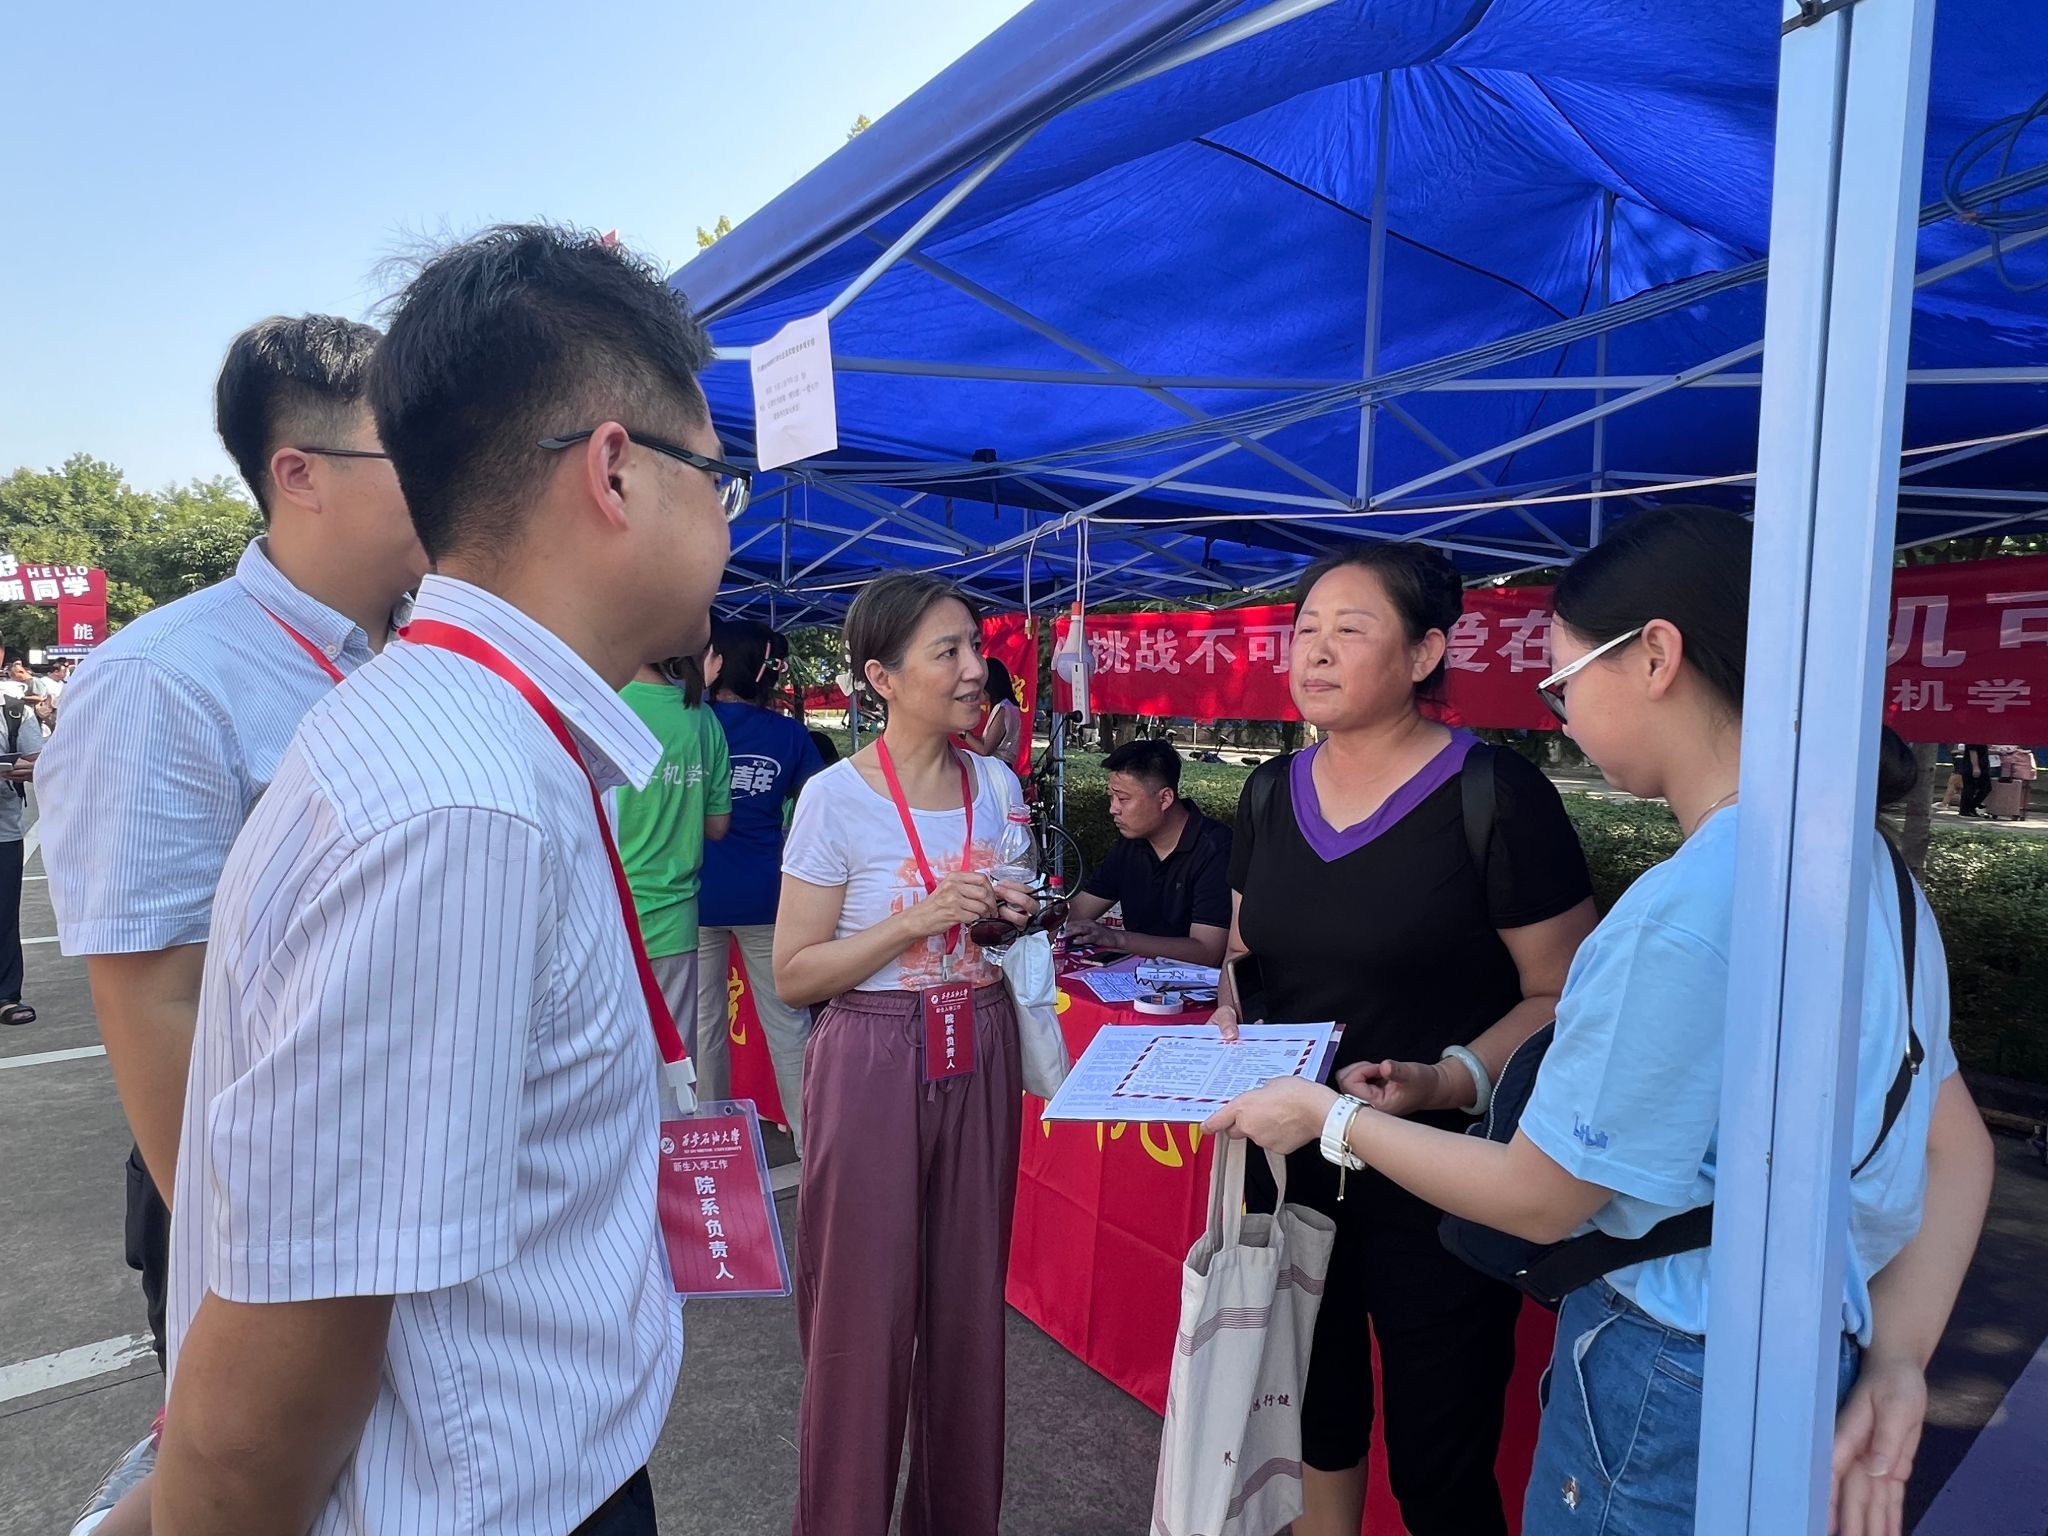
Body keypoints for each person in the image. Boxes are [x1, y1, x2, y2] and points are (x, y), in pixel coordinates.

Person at [1207, 508, 1995, 1536]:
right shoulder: (1867, 871)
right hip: (1808, 1350)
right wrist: (1896, 1357)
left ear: (1655, 657)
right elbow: (1954, 1146)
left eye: (1564, 681)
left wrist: (1330, 1118)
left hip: (1665, 1368)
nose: (1563, 711)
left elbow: (1539, 1197)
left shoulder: (1684, 909)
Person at [151, 225, 731, 1535]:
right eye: (715, 477)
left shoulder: (471, 738)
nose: (724, 518)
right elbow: (266, 1402)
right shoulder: (462, 802)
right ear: (615, 470)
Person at [38, 314, 427, 1535]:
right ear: (297, 473)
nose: (452, 471)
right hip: (255, 1195)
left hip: (404, 1159)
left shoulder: (414, 656)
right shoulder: (163, 679)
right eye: (414, 446)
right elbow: (155, 996)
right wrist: (238, 1276)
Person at [1208, 542, 1600, 1536]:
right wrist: (1227, 1016)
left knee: (1440, 1458)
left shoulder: (1495, 796)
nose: (1314, 651)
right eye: (1304, 629)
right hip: (1291, 1170)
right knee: (1313, 1416)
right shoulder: (1267, 793)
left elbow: (1564, 995)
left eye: (1349, 630)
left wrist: (1449, 1077)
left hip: (1440, 1181)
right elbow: (1246, 953)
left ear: (1425, 654)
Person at [774, 571, 1040, 1536]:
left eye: (977, 648)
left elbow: (1005, 927)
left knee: (969, 1311)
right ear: (881, 677)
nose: (976, 671)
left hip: (980, 1042)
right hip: (872, 1053)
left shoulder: (999, 786)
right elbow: (794, 973)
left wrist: (1012, 918)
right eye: (949, 653)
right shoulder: (834, 799)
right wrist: (913, 921)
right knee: (861, 1317)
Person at [694, 617, 825, 1146]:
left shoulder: (692, 723)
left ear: (718, 662)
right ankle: (812, 1144)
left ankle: (706, 1144)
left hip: (694, 894)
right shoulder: (790, 735)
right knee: (788, 1025)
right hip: (768, 897)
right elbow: (819, 809)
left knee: (703, 1028)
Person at [616, 651, 731, 1095]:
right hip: (674, 918)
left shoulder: (605, 703)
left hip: (606, 911)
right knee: (674, 1074)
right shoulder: (701, 717)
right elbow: (717, 825)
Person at [1065, 738, 1232, 966]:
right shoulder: (1132, 844)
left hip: (1199, 983)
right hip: (1133, 974)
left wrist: (1116, 938)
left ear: (1165, 798)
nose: (1113, 809)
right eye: (1111, 797)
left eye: (1123, 799)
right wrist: (1035, 912)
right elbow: (1078, 910)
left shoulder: (1216, 849)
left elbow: (1207, 951)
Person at [0, 691, 44, 1027]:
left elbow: (39, 763)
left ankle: (6, 996)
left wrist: (31, 770)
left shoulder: (15, 712)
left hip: (3, 833)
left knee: (3, 916)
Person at [962, 654, 1022, 763]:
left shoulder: (1003, 709)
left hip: (998, 767)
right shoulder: (1008, 707)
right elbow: (988, 741)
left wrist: (963, 733)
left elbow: (985, 750)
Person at [1958, 742, 1992, 817]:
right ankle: (1965, 810)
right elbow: (1972, 752)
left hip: (1983, 766)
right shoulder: (1973, 740)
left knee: (1986, 788)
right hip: (1971, 767)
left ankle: (1970, 807)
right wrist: (1975, 767)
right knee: (1969, 789)